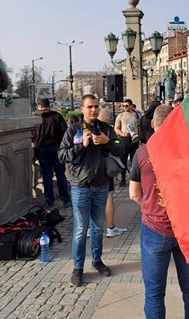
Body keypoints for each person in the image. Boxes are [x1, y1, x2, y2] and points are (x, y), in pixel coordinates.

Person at [129, 105, 189, 319]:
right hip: (186, 230)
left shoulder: (142, 153)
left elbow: (134, 193)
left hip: (155, 228)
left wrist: (151, 207)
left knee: (154, 294)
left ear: (153, 124)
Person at [58, 94, 122, 287]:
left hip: (101, 186)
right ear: (82, 108)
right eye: (89, 107)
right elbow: (62, 155)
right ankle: (78, 268)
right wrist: (81, 146)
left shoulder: (106, 129)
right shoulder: (74, 129)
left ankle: (97, 261)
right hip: (80, 186)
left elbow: (121, 147)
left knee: (97, 227)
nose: (93, 110)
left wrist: (107, 142)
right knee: (80, 229)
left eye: (96, 106)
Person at [31, 98, 71, 208]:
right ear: (49, 105)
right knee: (61, 174)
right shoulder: (57, 116)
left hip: (41, 149)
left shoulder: (34, 117)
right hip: (56, 148)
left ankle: (49, 200)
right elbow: (65, 133)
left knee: (46, 176)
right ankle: (65, 199)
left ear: (39, 106)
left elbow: (30, 135)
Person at [98, 108, 128, 238]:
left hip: (89, 170)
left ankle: (88, 228)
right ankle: (110, 227)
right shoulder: (107, 129)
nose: (110, 119)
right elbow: (117, 146)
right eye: (109, 117)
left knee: (90, 199)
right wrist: (111, 142)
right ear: (105, 117)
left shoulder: (84, 127)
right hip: (105, 168)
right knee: (109, 196)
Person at [114, 98, 140, 186]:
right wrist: (123, 134)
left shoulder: (137, 115)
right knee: (123, 159)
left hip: (134, 139)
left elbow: (140, 127)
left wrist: (139, 137)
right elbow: (116, 128)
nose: (125, 107)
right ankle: (122, 178)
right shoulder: (120, 116)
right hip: (124, 139)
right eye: (123, 106)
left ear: (132, 106)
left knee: (134, 159)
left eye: (127, 105)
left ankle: (134, 179)